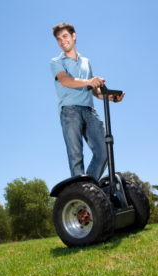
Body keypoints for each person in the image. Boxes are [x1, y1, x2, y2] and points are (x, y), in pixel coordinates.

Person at [50, 23, 124, 180]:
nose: (62, 41)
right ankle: (84, 195)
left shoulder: (86, 62)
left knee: (104, 151)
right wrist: (90, 81)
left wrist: (111, 98)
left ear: (73, 36)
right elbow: (66, 81)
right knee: (76, 157)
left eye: (65, 36)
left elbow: (94, 91)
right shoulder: (56, 62)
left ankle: (88, 190)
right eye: (58, 39)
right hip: (70, 111)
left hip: (89, 111)